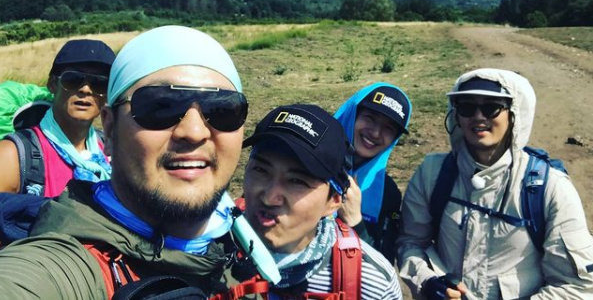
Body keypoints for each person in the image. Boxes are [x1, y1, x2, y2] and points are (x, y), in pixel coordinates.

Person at [0, 25, 253, 298]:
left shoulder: (243, 243)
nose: (194, 132)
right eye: (160, 106)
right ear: (110, 129)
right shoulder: (57, 270)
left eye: (223, 109)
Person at [396, 68, 593, 299]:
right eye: (467, 107)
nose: (478, 117)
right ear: (456, 115)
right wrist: (427, 282)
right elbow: (410, 242)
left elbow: (578, 286)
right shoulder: (432, 173)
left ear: (514, 115)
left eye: (491, 107)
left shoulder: (550, 187)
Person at [240, 103, 403, 299]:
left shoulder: (372, 283)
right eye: (261, 170)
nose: (269, 197)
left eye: (296, 181)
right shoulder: (207, 245)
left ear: (333, 201)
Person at [0, 39, 115, 197]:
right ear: (52, 84)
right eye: (73, 79)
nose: (85, 89)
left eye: (99, 83)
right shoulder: (12, 156)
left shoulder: (111, 150)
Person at [334, 82, 412, 264]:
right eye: (370, 118)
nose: (376, 133)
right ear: (353, 114)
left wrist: (355, 222)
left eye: (389, 128)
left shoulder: (388, 193)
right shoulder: (308, 161)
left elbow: (382, 267)